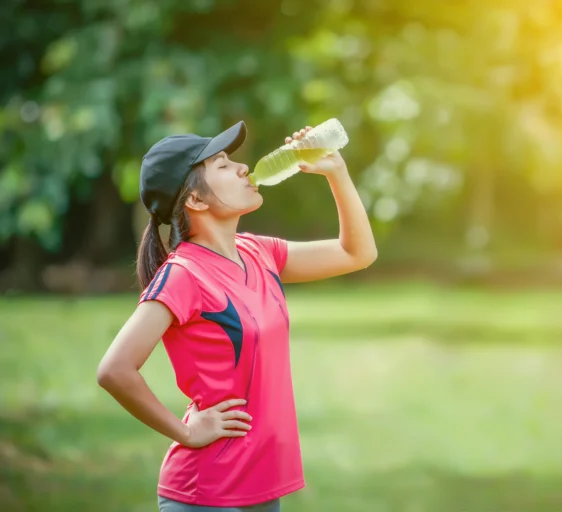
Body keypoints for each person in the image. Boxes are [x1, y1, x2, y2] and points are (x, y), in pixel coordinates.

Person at [96, 120, 377, 511]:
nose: (243, 168)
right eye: (223, 165)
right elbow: (115, 369)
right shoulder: (183, 275)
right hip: (207, 491)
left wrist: (337, 173)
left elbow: (357, 254)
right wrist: (187, 433)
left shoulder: (258, 252)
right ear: (194, 200)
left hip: (261, 487)